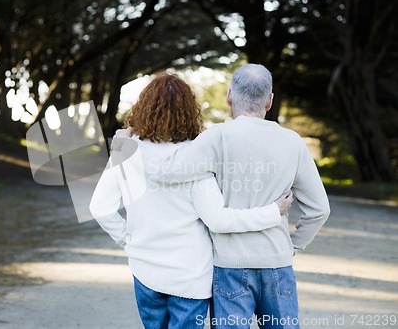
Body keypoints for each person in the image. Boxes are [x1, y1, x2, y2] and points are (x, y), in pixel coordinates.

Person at [113, 64, 331, 329]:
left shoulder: (215, 138)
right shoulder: (293, 142)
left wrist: (124, 145)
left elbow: (165, 171)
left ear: (229, 96)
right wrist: (293, 245)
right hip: (277, 263)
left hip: (230, 267)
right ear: (270, 100)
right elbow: (319, 209)